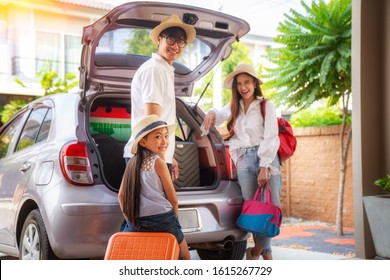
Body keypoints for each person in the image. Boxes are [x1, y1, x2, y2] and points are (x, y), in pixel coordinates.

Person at [201, 63, 282, 260]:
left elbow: (272, 137)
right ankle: (265, 258)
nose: (243, 87)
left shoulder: (266, 105)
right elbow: (218, 115)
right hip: (244, 161)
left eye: (247, 82)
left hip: (267, 160)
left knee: (270, 207)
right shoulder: (233, 107)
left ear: (254, 83)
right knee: (254, 209)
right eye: (239, 84)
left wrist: (264, 166)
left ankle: (254, 252)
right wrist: (211, 112)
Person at [123, 15, 196, 180]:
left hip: (155, 155)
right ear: (158, 39)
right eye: (170, 39)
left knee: (157, 205)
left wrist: (170, 156)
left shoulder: (164, 69)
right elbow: (152, 119)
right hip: (149, 157)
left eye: (181, 42)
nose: (176, 46)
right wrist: (161, 159)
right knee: (152, 206)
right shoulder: (155, 69)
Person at [118, 115, 191, 260]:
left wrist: (130, 220)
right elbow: (173, 200)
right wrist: (174, 222)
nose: (164, 141)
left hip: (136, 221)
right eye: (158, 137)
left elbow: (121, 196)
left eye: (166, 136)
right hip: (163, 219)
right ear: (143, 142)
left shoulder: (132, 163)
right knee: (184, 257)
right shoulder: (158, 163)